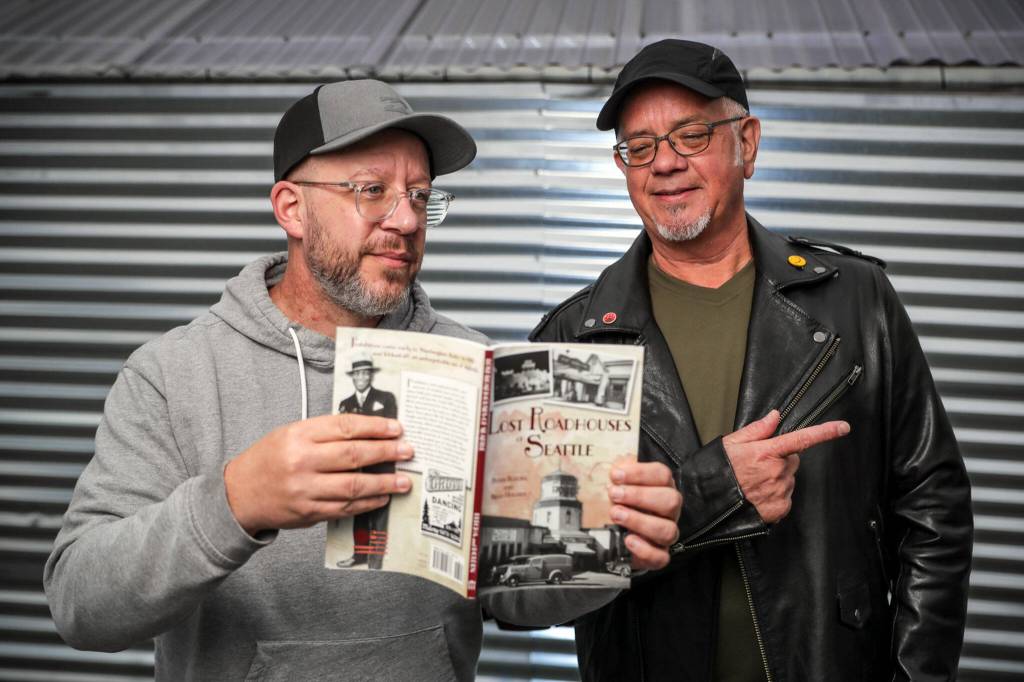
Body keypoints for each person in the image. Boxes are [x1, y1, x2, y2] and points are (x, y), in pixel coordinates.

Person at [43, 78, 681, 681]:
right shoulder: (173, 374)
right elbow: (81, 605)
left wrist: (599, 553)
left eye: (421, 196)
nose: (407, 221)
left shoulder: (473, 366)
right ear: (291, 208)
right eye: (371, 190)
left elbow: (511, 598)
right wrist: (235, 503)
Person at [531, 39, 973, 681]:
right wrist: (713, 493)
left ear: (749, 143)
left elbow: (933, 507)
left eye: (690, 135)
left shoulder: (853, 301)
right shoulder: (574, 337)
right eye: (641, 147)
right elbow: (538, 578)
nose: (665, 165)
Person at [337, 352, 397, 568]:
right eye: (357, 373)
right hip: (356, 467)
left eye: (365, 373)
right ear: (353, 377)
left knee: (380, 515)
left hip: (381, 467)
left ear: (370, 376)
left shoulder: (385, 398)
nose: (361, 377)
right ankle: (359, 555)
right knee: (359, 514)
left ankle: (376, 561)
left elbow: (393, 429)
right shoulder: (346, 403)